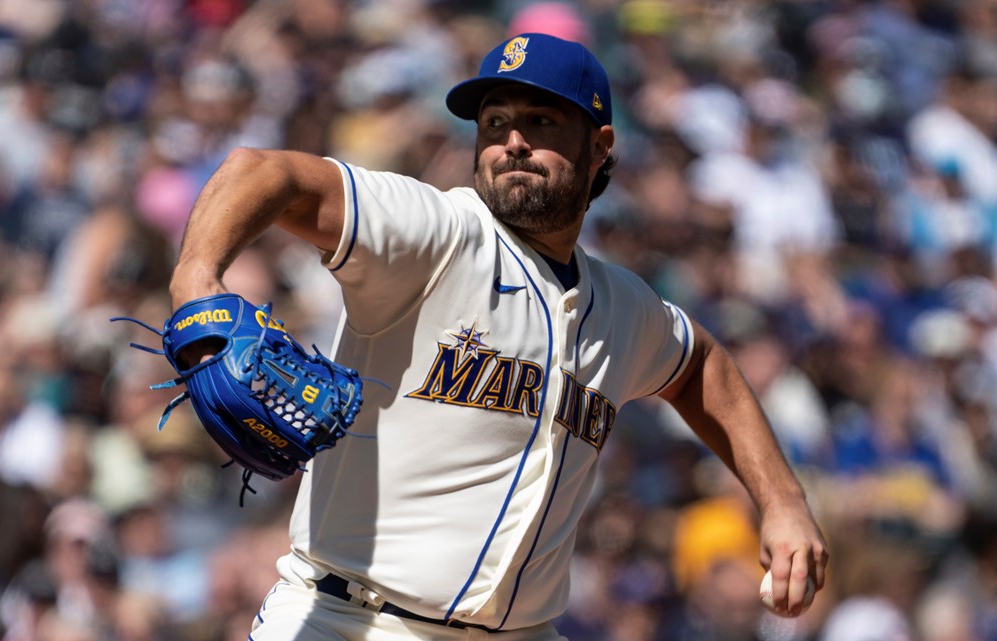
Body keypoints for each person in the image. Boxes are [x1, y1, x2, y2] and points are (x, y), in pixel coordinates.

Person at [168, 33, 828, 640]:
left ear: (599, 147)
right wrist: (195, 284)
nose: (512, 139)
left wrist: (782, 501)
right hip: (352, 620)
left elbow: (700, 366)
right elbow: (262, 172)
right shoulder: (436, 232)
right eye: (495, 123)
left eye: (539, 122)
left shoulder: (625, 308)